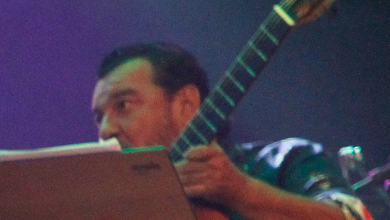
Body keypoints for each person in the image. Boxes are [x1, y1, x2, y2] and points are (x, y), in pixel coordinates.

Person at [91, 41, 368, 220]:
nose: (105, 131)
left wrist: (240, 191)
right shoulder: (104, 205)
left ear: (186, 104)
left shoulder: (285, 161)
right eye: (99, 117)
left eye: (123, 105)